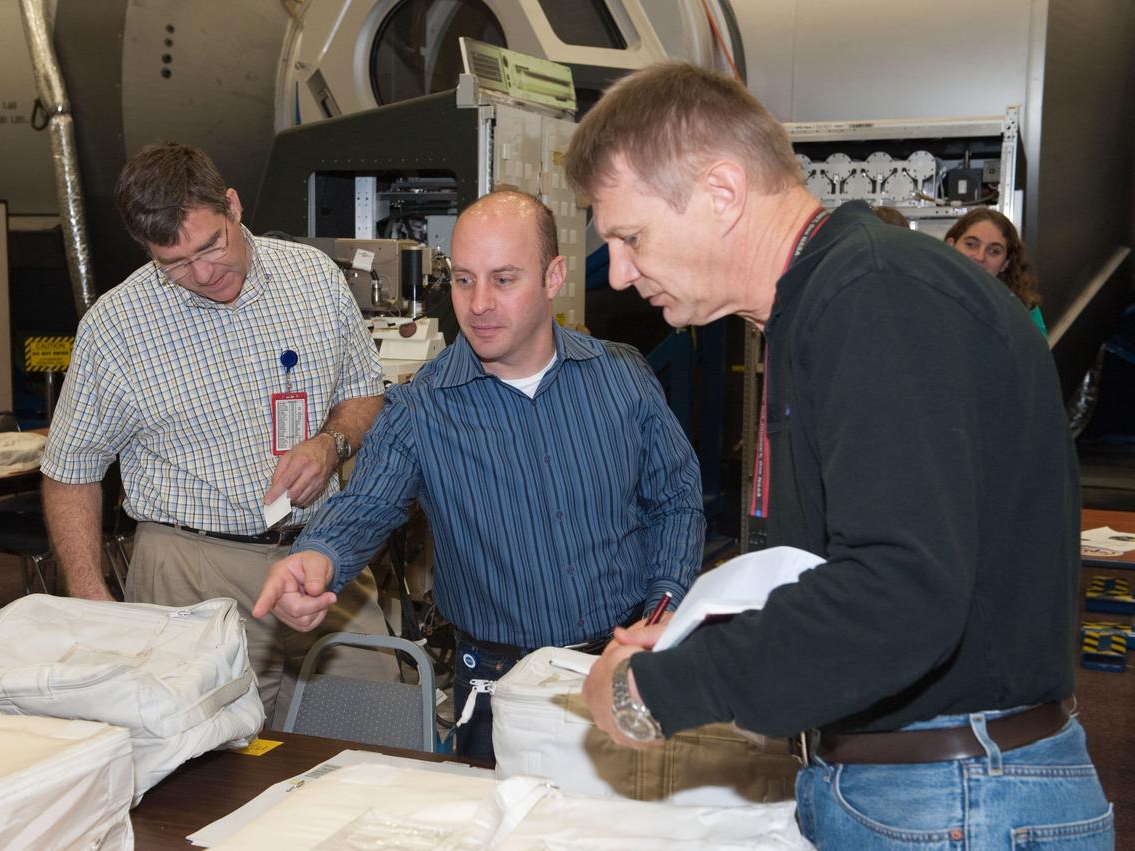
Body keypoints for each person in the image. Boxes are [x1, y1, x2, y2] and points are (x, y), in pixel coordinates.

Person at [564, 63, 1111, 848]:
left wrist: (658, 688)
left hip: (961, 798)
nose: (618, 270)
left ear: (721, 193)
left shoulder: (874, 297)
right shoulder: (828, 300)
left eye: (629, 235)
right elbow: (845, 561)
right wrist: (703, 633)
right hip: (930, 786)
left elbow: (903, 590)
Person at [253, 190, 705, 761]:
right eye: (465, 280)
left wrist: (663, 612)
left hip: (617, 661)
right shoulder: (424, 407)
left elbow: (676, 500)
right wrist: (319, 558)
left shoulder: (622, 379)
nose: (480, 303)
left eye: (504, 279)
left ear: (554, 276)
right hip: (494, 684)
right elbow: (366, 506)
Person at [41, 142, 396, 720]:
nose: (203, 274)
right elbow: (70, 472)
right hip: (189, 570)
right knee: (201, 768)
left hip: (323, 557)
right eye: (174, 264)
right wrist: (93, 602)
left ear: (232, 205)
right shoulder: (116, 328)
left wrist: (330, 445)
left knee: (369, 729)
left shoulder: (311, 277)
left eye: (211, 245)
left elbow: (363, 391)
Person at [945, 207, 1048, 337]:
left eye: (994, 251)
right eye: (971, 244)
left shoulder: (1024, 309)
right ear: (950, 245)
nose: (979, 257)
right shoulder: (924, 292)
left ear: (1005, 263)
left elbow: (1037, 355)